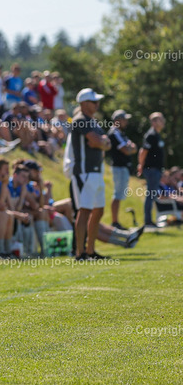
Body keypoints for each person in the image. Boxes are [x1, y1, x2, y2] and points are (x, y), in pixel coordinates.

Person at [69, 88, 111, 260]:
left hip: (96, 173)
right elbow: (96, 141)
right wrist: (101, 142)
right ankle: (80, 253)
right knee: (84, 210)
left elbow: (105, 143)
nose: (97, 104)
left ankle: (91, 251)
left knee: (98, 211)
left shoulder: (93, 122)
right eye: (94, 102)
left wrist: (101, 142)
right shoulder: (80, 120)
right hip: (84, 172)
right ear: (84, 103)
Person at [107, 109, 137, 230]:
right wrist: (130, 149)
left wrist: (130, 148)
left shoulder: (121, 133)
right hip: (118, 167)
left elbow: (133, 148)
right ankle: (115, 222)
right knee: (117, 194)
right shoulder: (114, 133)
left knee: (119, 195)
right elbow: (126, 150)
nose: (126, 122)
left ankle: (116, 222)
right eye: (124, 119)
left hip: (123, 167)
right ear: (117, 120)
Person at [137, 111, 166, 229]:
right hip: (151, 169)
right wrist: (140, 165)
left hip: (156, 170)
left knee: (152, 195)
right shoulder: (151, 135)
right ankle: (148, 221)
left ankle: (149, 220)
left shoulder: (157, 135)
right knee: (151, 194)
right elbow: (143, 151)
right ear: (154, 122)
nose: (163, 122)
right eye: (160, 119)